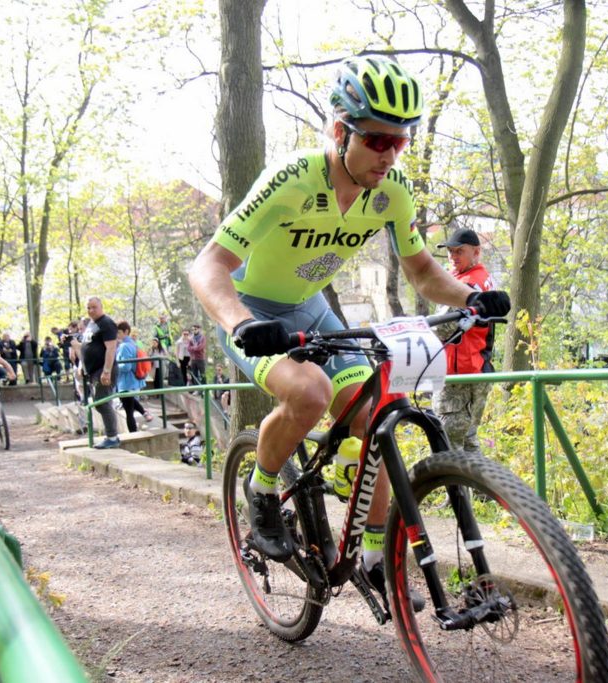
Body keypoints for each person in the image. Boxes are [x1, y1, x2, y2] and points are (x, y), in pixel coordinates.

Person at [188, 55, 509, 604]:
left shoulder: (394, 191)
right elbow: (207, 266)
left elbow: (424, 272)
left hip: (311, 308)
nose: (390, 154)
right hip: (252, 310)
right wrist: (242, 323)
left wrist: (473, 297)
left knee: (375, 414)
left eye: (400, 142)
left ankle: (373, 557)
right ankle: (262, 490)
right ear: (341, 132)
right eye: (378, 140)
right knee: (309, 392)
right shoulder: (291, 180)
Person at [432, 228, 497, 453]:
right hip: (476, 370)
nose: (453, 256)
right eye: (450, 251)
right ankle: (488, 488)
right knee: (468, 443)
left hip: (461, 377)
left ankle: (461, 489)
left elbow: (441, 329)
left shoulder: (468, 286)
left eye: (460, 251)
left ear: (476, 252)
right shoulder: (481, 278)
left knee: (450, 448)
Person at [82, 297, 121, 449]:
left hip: (103, 370)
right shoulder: (92, 324)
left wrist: (106, 371)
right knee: (100, 403)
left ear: (101, 306)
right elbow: (88, 344)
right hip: (93, 371)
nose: (91, 310)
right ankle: (111, 435)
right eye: (88, 308)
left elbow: (111, 348)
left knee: (103, 403)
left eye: (94, 307)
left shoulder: (106, 323)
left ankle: (112, 437)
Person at [114, 320, 154, 433]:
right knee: (130, 402)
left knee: (128, 411)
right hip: (133, 381)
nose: (117, 334)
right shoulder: (133, 343)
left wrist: (114, 365)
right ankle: (144, 413)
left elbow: (126, 367)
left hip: (126, 382)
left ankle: (133, 433)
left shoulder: (124, 346)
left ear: (126, 331)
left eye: (119, 332)